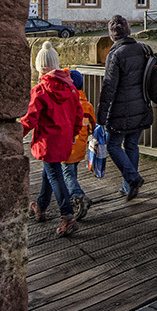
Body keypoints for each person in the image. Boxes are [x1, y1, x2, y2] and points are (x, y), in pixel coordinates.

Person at [21, 41, 83, 237]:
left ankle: (67, 216)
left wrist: (15, 135)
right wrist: (73, 134)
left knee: (54, 175)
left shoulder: (40, 90)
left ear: (39, 67)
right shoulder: (72, 88)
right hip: (64, 140)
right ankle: (40, 207)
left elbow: (30, 118)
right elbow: (78, 115)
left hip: (47, 142)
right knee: (49, 173)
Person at [97, 14, 153, 201]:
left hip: (121, 111)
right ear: (128, 31)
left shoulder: (115, 55)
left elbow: (109, 88)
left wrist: (101, 117)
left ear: (112, 36)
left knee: (113, 145)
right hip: (141, 107)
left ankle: (132, 179)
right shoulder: (141, 49)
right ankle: (128, 186)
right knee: (131, 145)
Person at [61, 69, 96, 219]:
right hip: (81, 145)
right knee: (72, 171)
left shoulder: (67, 104)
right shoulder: (87, 105)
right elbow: (92, 126)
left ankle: (78, 196)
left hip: (67, 145)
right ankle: (71, 195)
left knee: (67, 173)